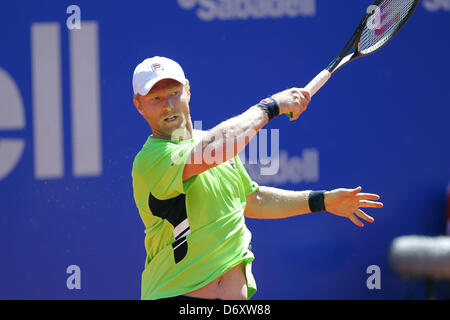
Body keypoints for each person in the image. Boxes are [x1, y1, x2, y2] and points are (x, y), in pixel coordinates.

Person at [131, 56, 383, 300]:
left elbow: (254, 200)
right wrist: (271, 106)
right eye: (156, 98)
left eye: (174, 93)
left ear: (187, 90)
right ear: (139, 106)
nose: (168, 105)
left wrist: (321, 201)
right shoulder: (152, 160)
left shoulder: (215, 146)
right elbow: (220, 146)